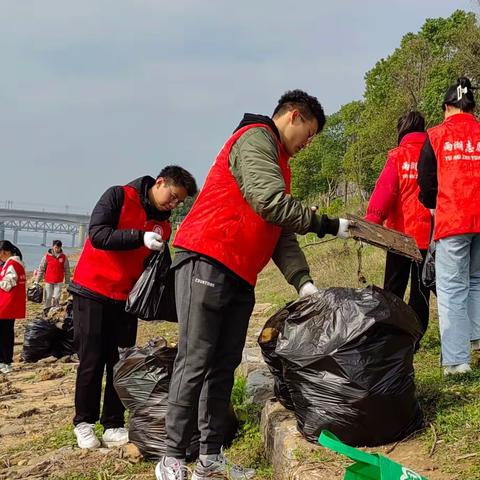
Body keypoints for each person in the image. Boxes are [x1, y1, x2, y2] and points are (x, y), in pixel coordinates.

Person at [155, 90, 350, 480]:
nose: (308, 145)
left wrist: (303, 282)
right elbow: (271, 203)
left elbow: (278, 228)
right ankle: (172, 458)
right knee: (195, 360)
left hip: (240, 273)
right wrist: (327, 224)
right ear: (293, 116)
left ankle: (210, 458)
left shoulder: (280, 162)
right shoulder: (256, 137)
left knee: (224, 366)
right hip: (207, 259)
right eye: (309, 134)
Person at [69, 166, 197, 449]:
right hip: (92, 289)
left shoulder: (163, 225)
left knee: (120, 361)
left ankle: (113, 423)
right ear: (160, 182)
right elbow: (98, 235)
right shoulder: (118, 196)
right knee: (92, 359)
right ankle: (84, 422)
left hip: (126, 299)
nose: (174, 204)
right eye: (173, 197)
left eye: (179, 202)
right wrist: (138, 237)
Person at [418, 77, 480, 376]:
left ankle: (457, 362)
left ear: (446, 107)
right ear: (471, 107)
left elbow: (426, 185)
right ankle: (476, 341)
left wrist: (435, 203)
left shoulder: (435, 136)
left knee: (453, 287)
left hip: (453, 219)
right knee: (477, 281)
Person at [365, 111, 435, 343]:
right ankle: (414, 339)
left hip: (399, 238)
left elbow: (385, 192)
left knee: (393, 290)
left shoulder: (397, 157)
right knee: (420, 291)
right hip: (428, 237)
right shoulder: (433, 153)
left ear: (401, 131)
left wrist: (371, 223)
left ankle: (390, 337)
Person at [0, 241, 26, 374]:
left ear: (4, 252)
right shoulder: (15, 263)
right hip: (8, 305)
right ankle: (4, 361)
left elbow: (7, 284)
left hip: (7, 305)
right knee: (5, 333)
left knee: (5, 334)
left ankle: (6, 362)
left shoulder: (12, 264)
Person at [36, 240, 71, 310]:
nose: (57, 249)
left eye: (58, 248)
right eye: (55, 247)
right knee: (48, 297)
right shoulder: (46, 256)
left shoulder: (63, 257)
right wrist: (37, 280)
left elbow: (67, 269)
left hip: (59, 281)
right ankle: (46, 310)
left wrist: (67, 282)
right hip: (48, 280)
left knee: (56, 297)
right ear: (52, 247)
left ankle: (54, 310)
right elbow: (41, 269)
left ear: (61, 247)